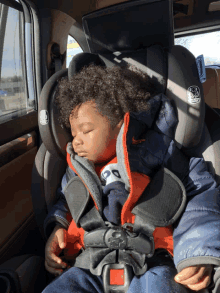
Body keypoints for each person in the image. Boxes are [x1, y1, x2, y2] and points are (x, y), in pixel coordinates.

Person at [42, 64, 220, 293]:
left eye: (86, 130)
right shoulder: (76, 170)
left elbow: (200, 203)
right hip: (90, 264)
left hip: (152, 261)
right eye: (74, 134)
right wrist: (59, 227)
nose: (76, 141)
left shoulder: (161, 154)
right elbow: (66, 203)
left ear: (120, 123)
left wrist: (197, 252)